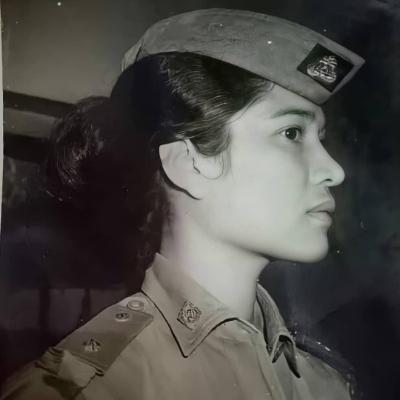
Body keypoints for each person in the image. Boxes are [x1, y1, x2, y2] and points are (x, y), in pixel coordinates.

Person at [0, 8, 364, 400]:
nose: (334, 170)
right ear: (188, 164)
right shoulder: (85, 392)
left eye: (320, 138)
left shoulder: (326, 386)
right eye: (291, 133)